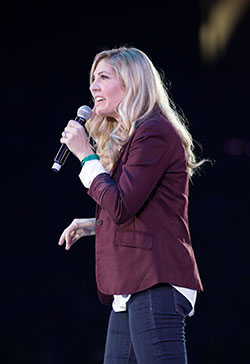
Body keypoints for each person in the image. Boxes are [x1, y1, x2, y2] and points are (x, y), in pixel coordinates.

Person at [58, 47, 205, 363]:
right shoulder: (139, 134)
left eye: (103, 78)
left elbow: (122, 204)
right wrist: (93, 224)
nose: (93, 87)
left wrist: (86, 155)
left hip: (155, 280)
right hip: (133, 284)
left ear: (132, 83)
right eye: (92, 79)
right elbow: (136, 207)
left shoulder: (155, 132)